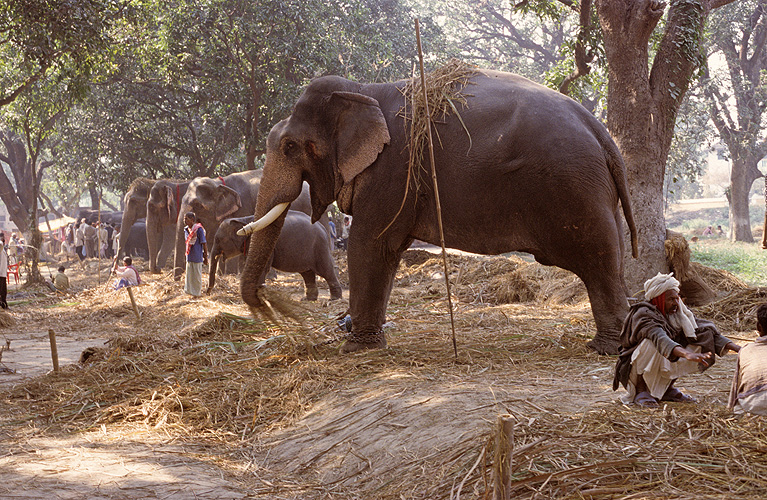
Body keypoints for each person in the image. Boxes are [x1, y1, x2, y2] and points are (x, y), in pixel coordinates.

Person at [613, 272, 740, 407]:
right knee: (650, 344)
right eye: (671, 299)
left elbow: (703, 329)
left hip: (663, 356)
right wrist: (686, 354)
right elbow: (660, 338)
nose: (676, 303)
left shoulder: (679, 313)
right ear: (659, 298)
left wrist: (740, 349)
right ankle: (641, 390)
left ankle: (666, 389)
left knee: (702, 336)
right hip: (633, 367)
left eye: (676, 298)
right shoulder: (644, 313)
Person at [728, 303, 767, 415]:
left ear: (758, 327)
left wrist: (730, 410)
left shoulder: (745, 350)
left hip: (754, 407)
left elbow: (736, 388)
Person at [183, 212, 208, 297]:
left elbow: (204, 243)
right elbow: (187, 243)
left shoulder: (198, 229)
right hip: (189, 256)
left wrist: (206, 256)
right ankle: (189, 292)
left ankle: (197, 293)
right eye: (184, 219)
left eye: (186, 219)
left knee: (197, 276)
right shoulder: (186, 229)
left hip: (197, 256)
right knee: (189, 275)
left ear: (192, 220)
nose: (184, 220)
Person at [0, 233, 8, 309]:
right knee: (1, 290)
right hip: (0, 273)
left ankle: (4, 303)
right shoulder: (0, 245)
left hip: (3, 273)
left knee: (4, 291)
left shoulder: (3, 249)